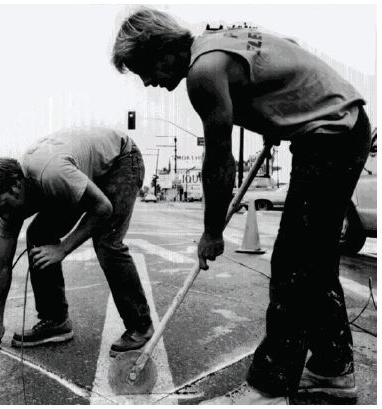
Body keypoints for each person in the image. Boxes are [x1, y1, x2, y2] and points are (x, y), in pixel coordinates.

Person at [112, 7, 371, 404]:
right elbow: (290, 50)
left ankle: (269, 386)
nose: (148, 82)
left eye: (144, 70)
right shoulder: (220, 43)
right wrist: (279, 112)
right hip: (340, 129)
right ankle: (332, 371)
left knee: (294, 264)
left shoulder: (203, 73)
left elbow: (219, 160)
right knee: (314, 263)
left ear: (161, 52)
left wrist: (212, 231)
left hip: (331, 136)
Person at [0, 127, 153, 357]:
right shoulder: (6, 206)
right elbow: (1, 263)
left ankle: (140, 326)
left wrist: (62, 249)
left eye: (2, 206)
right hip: (78, 174)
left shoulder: (51, 174)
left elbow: (103, 208)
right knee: (38, 235)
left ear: (15, 186)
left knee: (106, 240)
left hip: (120, 161)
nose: (2, 215)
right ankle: (55, 320)